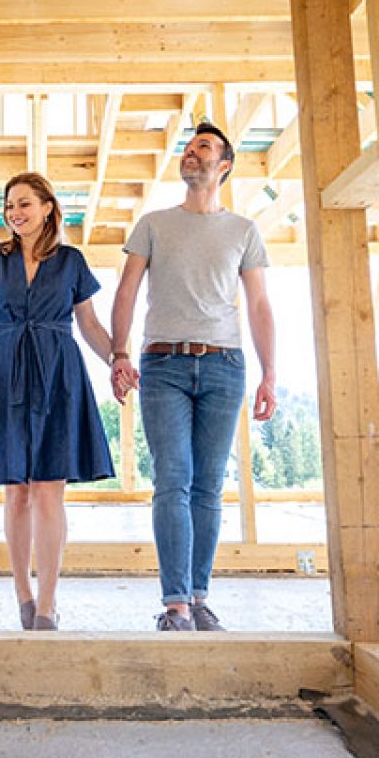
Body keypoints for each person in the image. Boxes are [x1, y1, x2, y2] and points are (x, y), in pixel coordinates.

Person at [110, 123, 276, 632]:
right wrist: (119, 353)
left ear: (224, 165)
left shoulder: (243, 230)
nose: (191, 153)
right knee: (173, 480)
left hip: (226, 365)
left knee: (207, 486)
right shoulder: (154, 223)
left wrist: (270, 373)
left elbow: (259, 304)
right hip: (163, 365)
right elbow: (126, 291)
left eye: (202, 147)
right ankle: (176, 605)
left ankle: (199, 598)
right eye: (187, 147)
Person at [0, 172, 116, 631]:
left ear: (48, 207)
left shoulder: (71, 261)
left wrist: (118, 360)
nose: (15, 213)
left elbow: (89, 325)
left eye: (25, 204)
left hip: (59, 373)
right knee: (16, 492)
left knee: (49, 491)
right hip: (6, 370)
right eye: (10, 206)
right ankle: (22, 595)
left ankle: (47, 606)